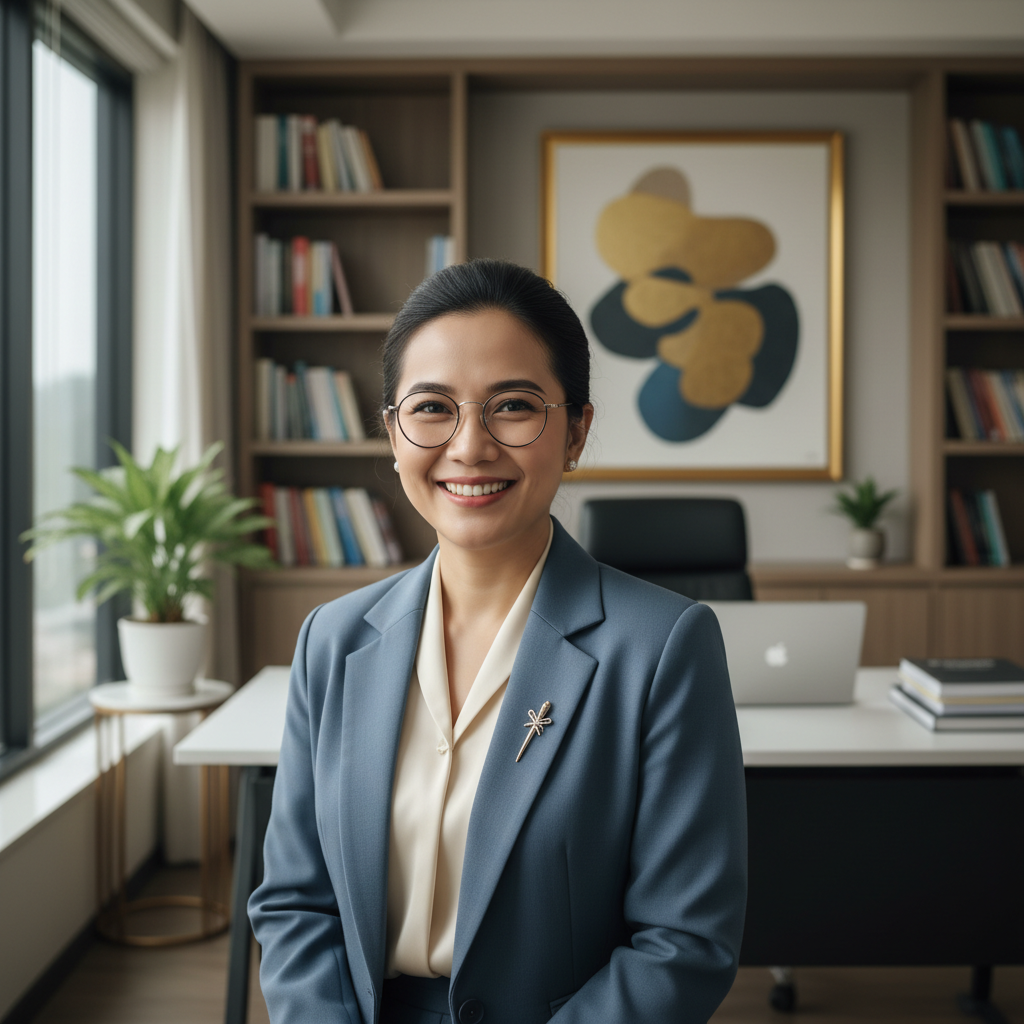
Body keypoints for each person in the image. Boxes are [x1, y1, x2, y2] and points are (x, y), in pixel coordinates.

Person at [249, 259, 747, 1024]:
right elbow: (295, 903)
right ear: (392, 434)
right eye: (432, 409)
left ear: (576, 431)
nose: (470, 446)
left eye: (513, 407)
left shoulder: (663, 648)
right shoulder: (333, 640)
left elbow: (683, 941)